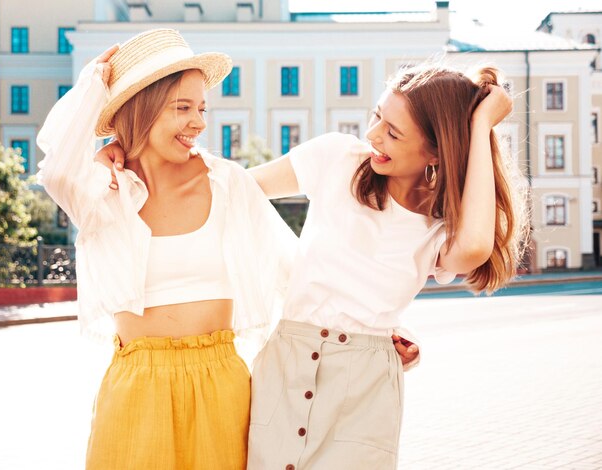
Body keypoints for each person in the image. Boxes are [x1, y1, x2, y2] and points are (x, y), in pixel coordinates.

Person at [98, 63, 523, 468]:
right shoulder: (338, 158)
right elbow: (228, 188)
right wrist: (133, 151)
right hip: (286, 362)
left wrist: (481, 127)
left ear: (435, 150)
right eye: (377, 117)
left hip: (365, 385)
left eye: (393, 133)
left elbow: (472, 249)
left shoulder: (437, 225)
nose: (373, 134)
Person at [36, 28, 297, 470]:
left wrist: (378, 331)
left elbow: (294, 271)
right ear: (143, 109)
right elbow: (57, 169)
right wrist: (95, 83)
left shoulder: (228, 183)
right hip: (136, 389)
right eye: (182, 108)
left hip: (222, 385)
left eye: (201, 108)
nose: (199, 122)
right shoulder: (106, 193)